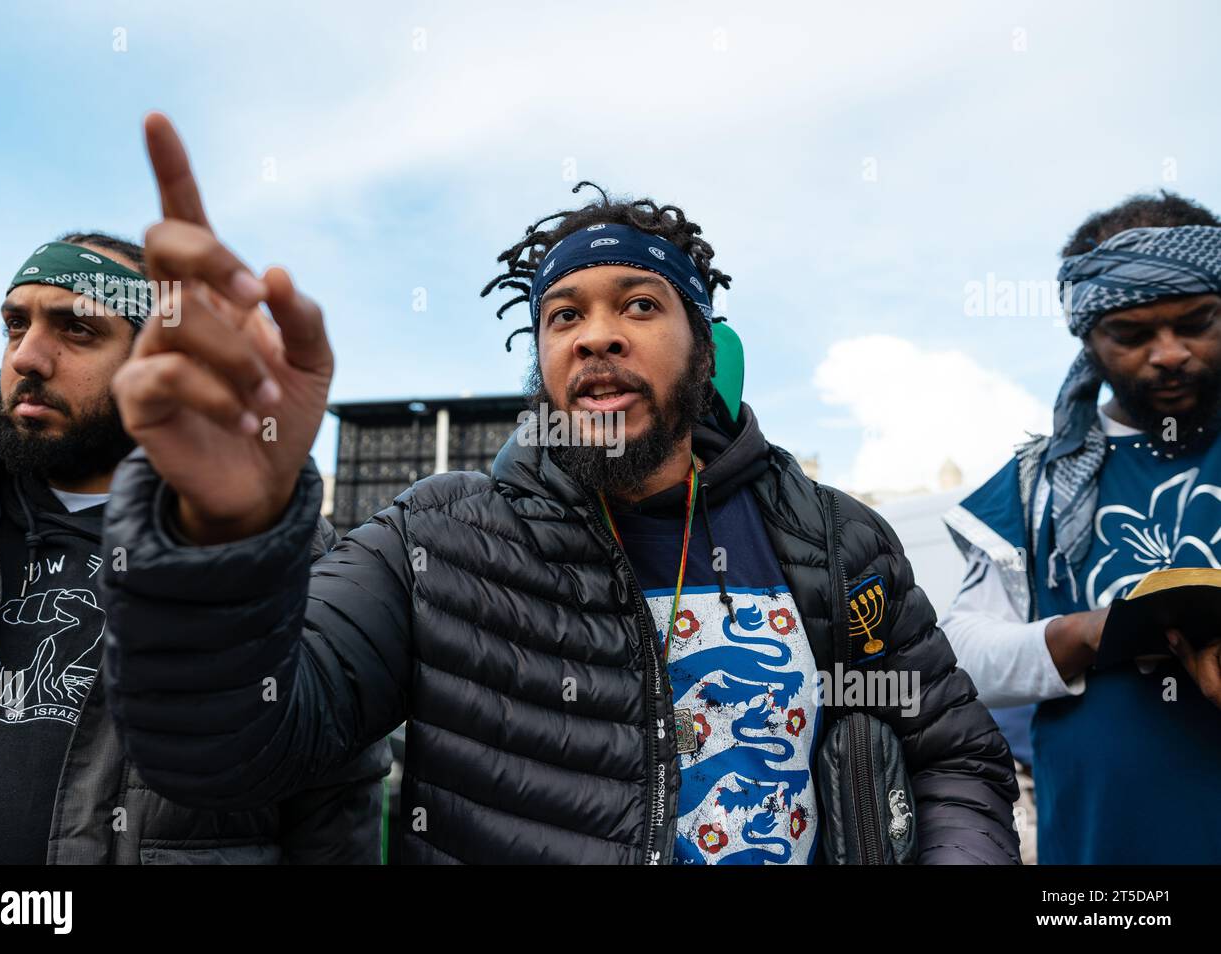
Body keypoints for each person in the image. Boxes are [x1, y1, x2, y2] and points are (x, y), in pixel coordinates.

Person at [99, 113, 1019, 864]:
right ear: (541, 360)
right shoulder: (438, 539)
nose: (597, 336)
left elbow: (955, 757)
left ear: (703, 349)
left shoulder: (834, 540)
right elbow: (227, 751)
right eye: (564, 315)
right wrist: (220, 534)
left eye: (640, 305)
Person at [0, 232, 388, 864]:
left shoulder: (270, 550)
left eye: (77, 330)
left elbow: (331, 801)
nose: (27, 358)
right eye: (14, 325)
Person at [941, 191, 1221, 864]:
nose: (1169, 353)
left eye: (1198, 323)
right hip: (1105, 848)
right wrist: (1090, 632)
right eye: (1131, 335)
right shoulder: (1036, 481)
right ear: (1088, 341)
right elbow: (962, 658)